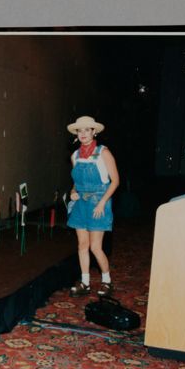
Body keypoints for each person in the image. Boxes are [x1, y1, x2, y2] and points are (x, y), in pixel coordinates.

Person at [66, 115, 120, 297]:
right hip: (81, 203)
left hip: (99, 202)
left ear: (94, 131)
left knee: (95, 247)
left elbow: (115, 181)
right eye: (79, 130)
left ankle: (107, 281)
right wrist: (73, 191)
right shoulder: (75, 156)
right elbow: (76, 182)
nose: (83, 133)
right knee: (82, 245)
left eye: (87, 129)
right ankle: (85, 282)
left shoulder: (103, 153)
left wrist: (103, 203)